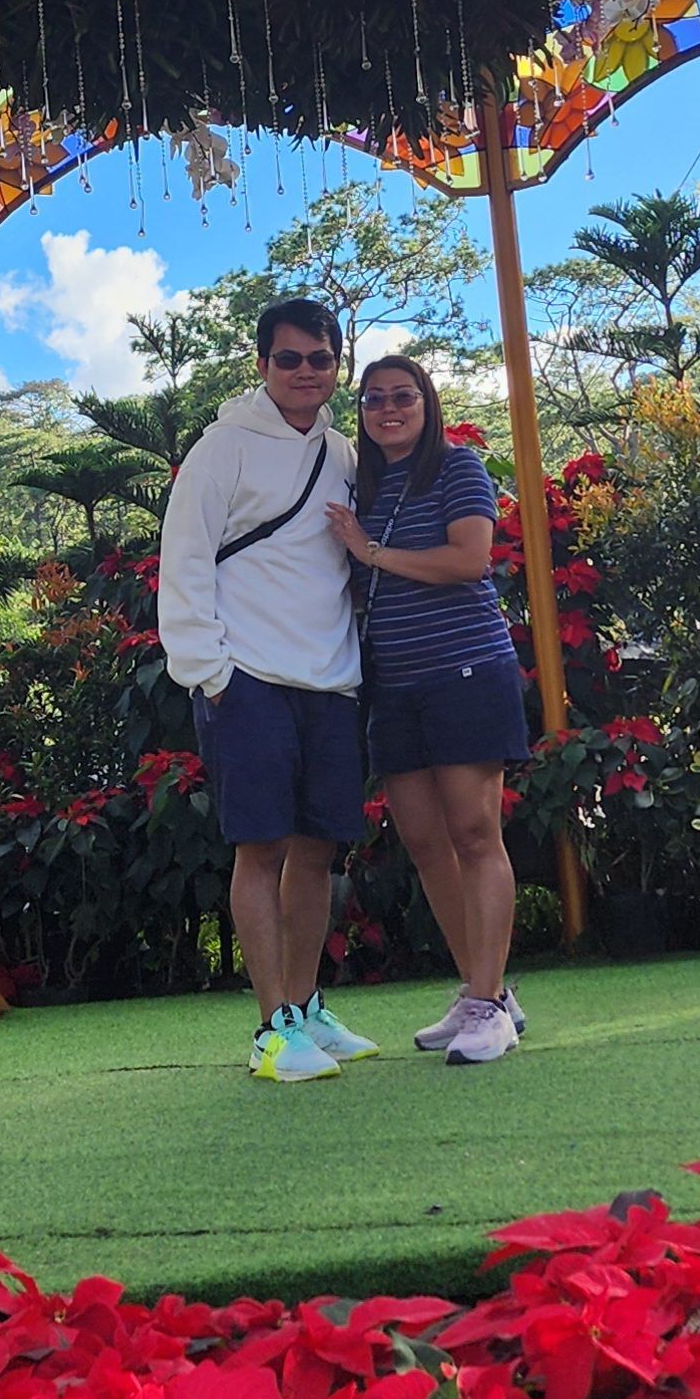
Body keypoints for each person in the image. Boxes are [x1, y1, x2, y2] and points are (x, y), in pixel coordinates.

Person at [157, 296, 380, 1085]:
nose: (305, 373)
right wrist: (210, 673)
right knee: (261, 849)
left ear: (337, 365)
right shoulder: (222, 448)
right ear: (262, 364)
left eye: (321, 359)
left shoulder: (343, 453)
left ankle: (307, 1007)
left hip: (331, 679)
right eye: (289, 359)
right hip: (247, 678)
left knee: (318, 850)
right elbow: (184, 558)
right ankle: (272, 1027)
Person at [324, 355, 528, 1065]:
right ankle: (482, 992)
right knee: (423, 840)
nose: (388, 409)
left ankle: (489, 1005)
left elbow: (469, 560)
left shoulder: (457, 466)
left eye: (403, 397)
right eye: (374, 399)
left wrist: (372, 551)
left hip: (465, 672)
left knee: (474, 834)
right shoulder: (366, 483)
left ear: (426, 402)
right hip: (393, 683)